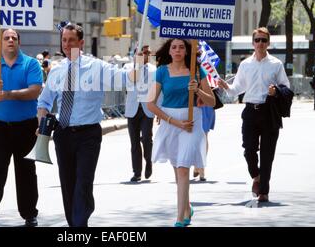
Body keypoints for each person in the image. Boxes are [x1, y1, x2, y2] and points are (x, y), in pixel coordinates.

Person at [37, 23, 129, 227]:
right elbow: (43, 102)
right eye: (64, 40)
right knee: (68, 185)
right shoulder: (57, 70)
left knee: (83, 182)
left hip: (88, 134)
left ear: (81, 42)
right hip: (63, 134)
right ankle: (75, 226)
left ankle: (80, 224)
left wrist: (140, 64)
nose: (67, 44)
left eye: (71, 40)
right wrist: (41, 123)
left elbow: (123, 79)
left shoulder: (97, 67)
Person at [0, 28, 43, 227]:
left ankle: (30, 214)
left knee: (26, 172)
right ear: (1, 43)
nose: (10, 40)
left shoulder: (31, 64)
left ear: (19, 42)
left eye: (14, 37)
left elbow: (34, 91)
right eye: (6, 38)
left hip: (25, 127)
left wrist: (8, 94)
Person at [146, 38, 215, 227]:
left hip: (192, 122)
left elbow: (212, 102)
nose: (177, 50)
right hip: (171, 124)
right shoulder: (162, 72)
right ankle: (187, 207)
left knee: (184, 168)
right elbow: (150, 103)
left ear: (187, 51)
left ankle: (179, 219)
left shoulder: (196, 71)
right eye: (174, 47)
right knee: (178, 170)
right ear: (169, 51)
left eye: (181, 47)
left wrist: (198, 91)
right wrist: (174, 122)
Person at [218, 27, 290, 203]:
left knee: (267, 154)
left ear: (268, 43)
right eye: (257, 40)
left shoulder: (276, 64)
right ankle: (256, 177)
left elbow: (286, 87)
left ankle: (264, 190)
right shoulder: (245, 64)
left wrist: (276, 91)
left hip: (269, 112)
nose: (260, 43)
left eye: (263, 40)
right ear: (253, 43)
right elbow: (237, 89)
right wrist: (226, 87)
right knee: (249, 149)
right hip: (250, 111)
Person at [123, 45, 156, 182]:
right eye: (143, 53)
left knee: (147, 138)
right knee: (134, 142)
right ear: (136, 54)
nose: (146, 55)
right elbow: (126, 83)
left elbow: (158, 91)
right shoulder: (128, 67)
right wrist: (136, 67)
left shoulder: (154, 70)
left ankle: (149, 161)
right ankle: (137, 172)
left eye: (148, 53)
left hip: (147, 108)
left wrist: (159, 110)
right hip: (132, 109)